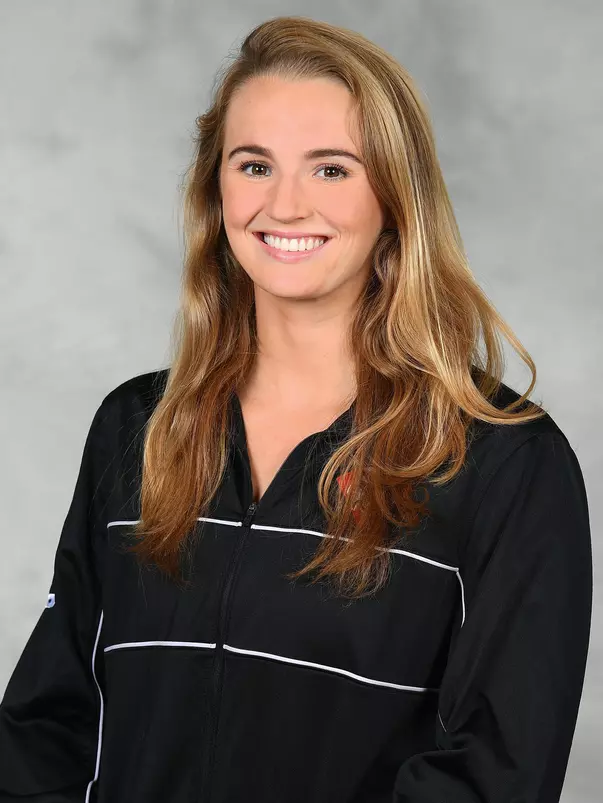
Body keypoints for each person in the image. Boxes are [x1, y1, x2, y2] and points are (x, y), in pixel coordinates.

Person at [0, 14, 592, 803]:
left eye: (330, 169)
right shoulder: (137, 430)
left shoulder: (504, 462)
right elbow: (41, 730)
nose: (283, 205)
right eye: (254, 164)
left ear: (394, 194)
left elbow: (494, 774)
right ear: (216, 187)